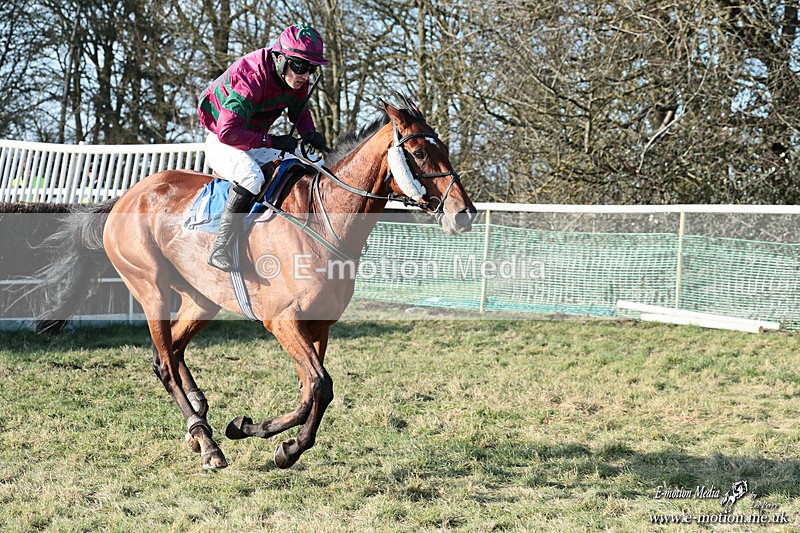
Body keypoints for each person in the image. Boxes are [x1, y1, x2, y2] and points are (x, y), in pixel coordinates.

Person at [198, 24, 332, 272]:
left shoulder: (293, 78)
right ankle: (221, 248)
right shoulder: (253, 78)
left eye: (311, 68)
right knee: (252, 177)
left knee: (309, 164)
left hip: (251, 137)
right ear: (280, 59)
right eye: (300, 66)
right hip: (222, 138)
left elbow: (299, 113)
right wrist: (272, 141)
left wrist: (310, 134)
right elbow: (228, 133)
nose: (305, 75)